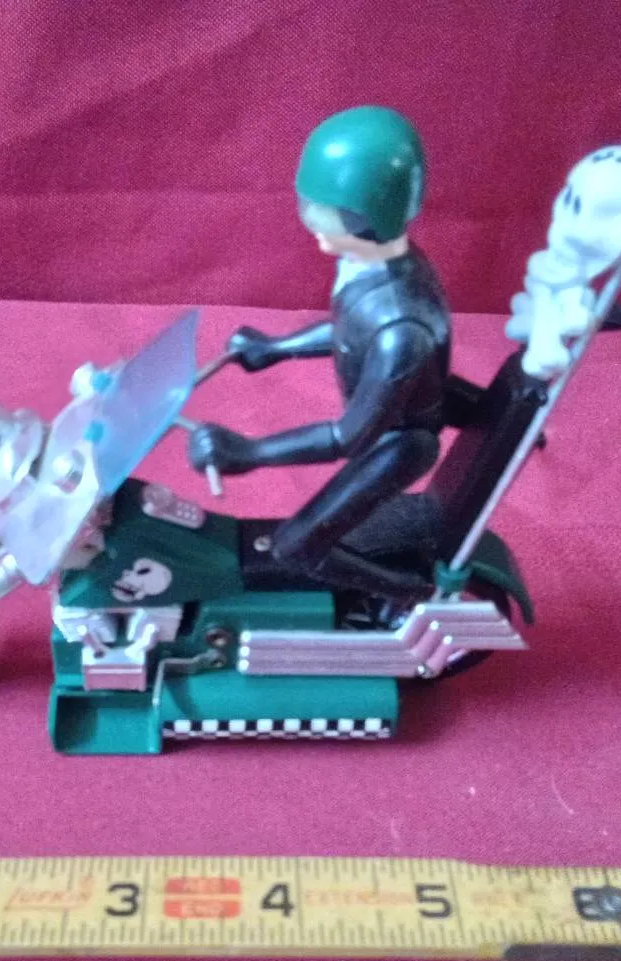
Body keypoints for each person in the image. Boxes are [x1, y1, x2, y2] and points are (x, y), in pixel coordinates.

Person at [188, 105, 450, 602]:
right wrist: (274, 348)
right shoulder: (374, 269)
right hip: (386, 431)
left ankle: (414, 597)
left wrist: (251, 452)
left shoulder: (401, 329)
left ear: (369, 215)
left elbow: (348, 436)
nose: (311, 223)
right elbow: (347, 332)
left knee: (296, 546)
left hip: (395, 447)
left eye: (324, 212)